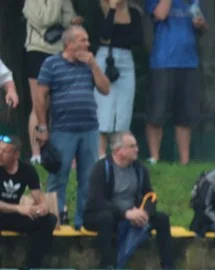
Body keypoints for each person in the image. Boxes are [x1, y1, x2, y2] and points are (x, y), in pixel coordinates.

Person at [35, 25, 110, 230]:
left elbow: (105, 88)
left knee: (88, 178)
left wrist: (94, 64)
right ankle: (53, 221)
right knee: (58, 177)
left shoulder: (89, 65)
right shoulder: (51, 64)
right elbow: (40, 96)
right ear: (69, 43)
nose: (87, 44)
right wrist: (42, 126)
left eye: (87, 40)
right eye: (82, 40)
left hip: (89, 129)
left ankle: (82, 222)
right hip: (62, 129)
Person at [83, 131, 174, 270]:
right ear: (119, 150)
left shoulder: (140, 169)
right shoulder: (101, 168)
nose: (137, 149)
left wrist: (144, 213)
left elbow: (150, 196)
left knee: (162, 219)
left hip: (133, 214)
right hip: (105, 214)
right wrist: (125, 213)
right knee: (106, 218)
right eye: (132, 146)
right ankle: (107, 265)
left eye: (136, 145)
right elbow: (97, 201)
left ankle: (168, 268)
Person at [145, 0, 205, 165]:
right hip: (163, 62)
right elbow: (160, 14)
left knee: (184, 115)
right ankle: (154, 158)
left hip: (189, 62)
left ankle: (184, 161)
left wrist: (200, 24)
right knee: (157, 113)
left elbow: (201, 27)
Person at [23, 0, 78, 164]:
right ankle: (36, 154)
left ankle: (58, 151)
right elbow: (48, 19)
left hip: (59, 51)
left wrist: (70, 21)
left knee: (59, 104)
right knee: (38, 104)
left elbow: (71, 18)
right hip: (37, 50)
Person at [0, 135, 57, 269]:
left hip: (12, 217)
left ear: (16, 154)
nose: (0, 154)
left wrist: (42, 207)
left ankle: (32, 267)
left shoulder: (27, 170)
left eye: (5, 151)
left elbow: (39, 198)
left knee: (49, 220)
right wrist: (19, 208)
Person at [95, 0, 142, 159]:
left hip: (126, 59)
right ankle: (100, 154)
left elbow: (137, 38)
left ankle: (121, 153)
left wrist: (116, 38)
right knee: (104, 108)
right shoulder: (100, 9)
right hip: (105, 58)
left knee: (124, 108)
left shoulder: (133, 12)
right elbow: (104, 35)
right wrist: (113, 9)